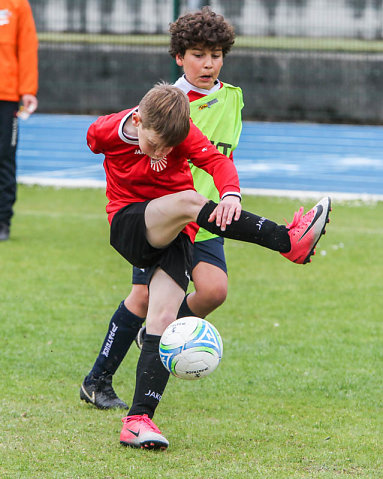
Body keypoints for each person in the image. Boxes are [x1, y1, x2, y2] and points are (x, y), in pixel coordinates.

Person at [85, 81, 331, 450]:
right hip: (130, 223)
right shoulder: (108, 130)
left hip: (177, 235)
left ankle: (138, 421)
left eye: (170, 147)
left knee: (164, 321)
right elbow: (94, 141)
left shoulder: (179, 134)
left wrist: (230, 192)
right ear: (137, 120)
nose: (163, 152)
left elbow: (216, 161)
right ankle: (288, 241)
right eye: (154, 144)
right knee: (188, 199)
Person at [80, 6, 243, 411]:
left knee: (214, 291)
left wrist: (229, 193)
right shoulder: (169, 106)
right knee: (141, 297)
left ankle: (161, 335)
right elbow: (120, 139)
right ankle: (98, 380)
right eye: (199, 54)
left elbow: (220, 158)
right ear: (179, 57)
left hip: (208, 217)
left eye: (217, 54)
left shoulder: (233, 99)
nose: (209, 63)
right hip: (169, 217)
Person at [0, 0, 38, 241]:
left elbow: (26, 46)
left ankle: (2, 220)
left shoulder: (17, 4)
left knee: (4, 156)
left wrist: (27, 90)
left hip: (6, 94)